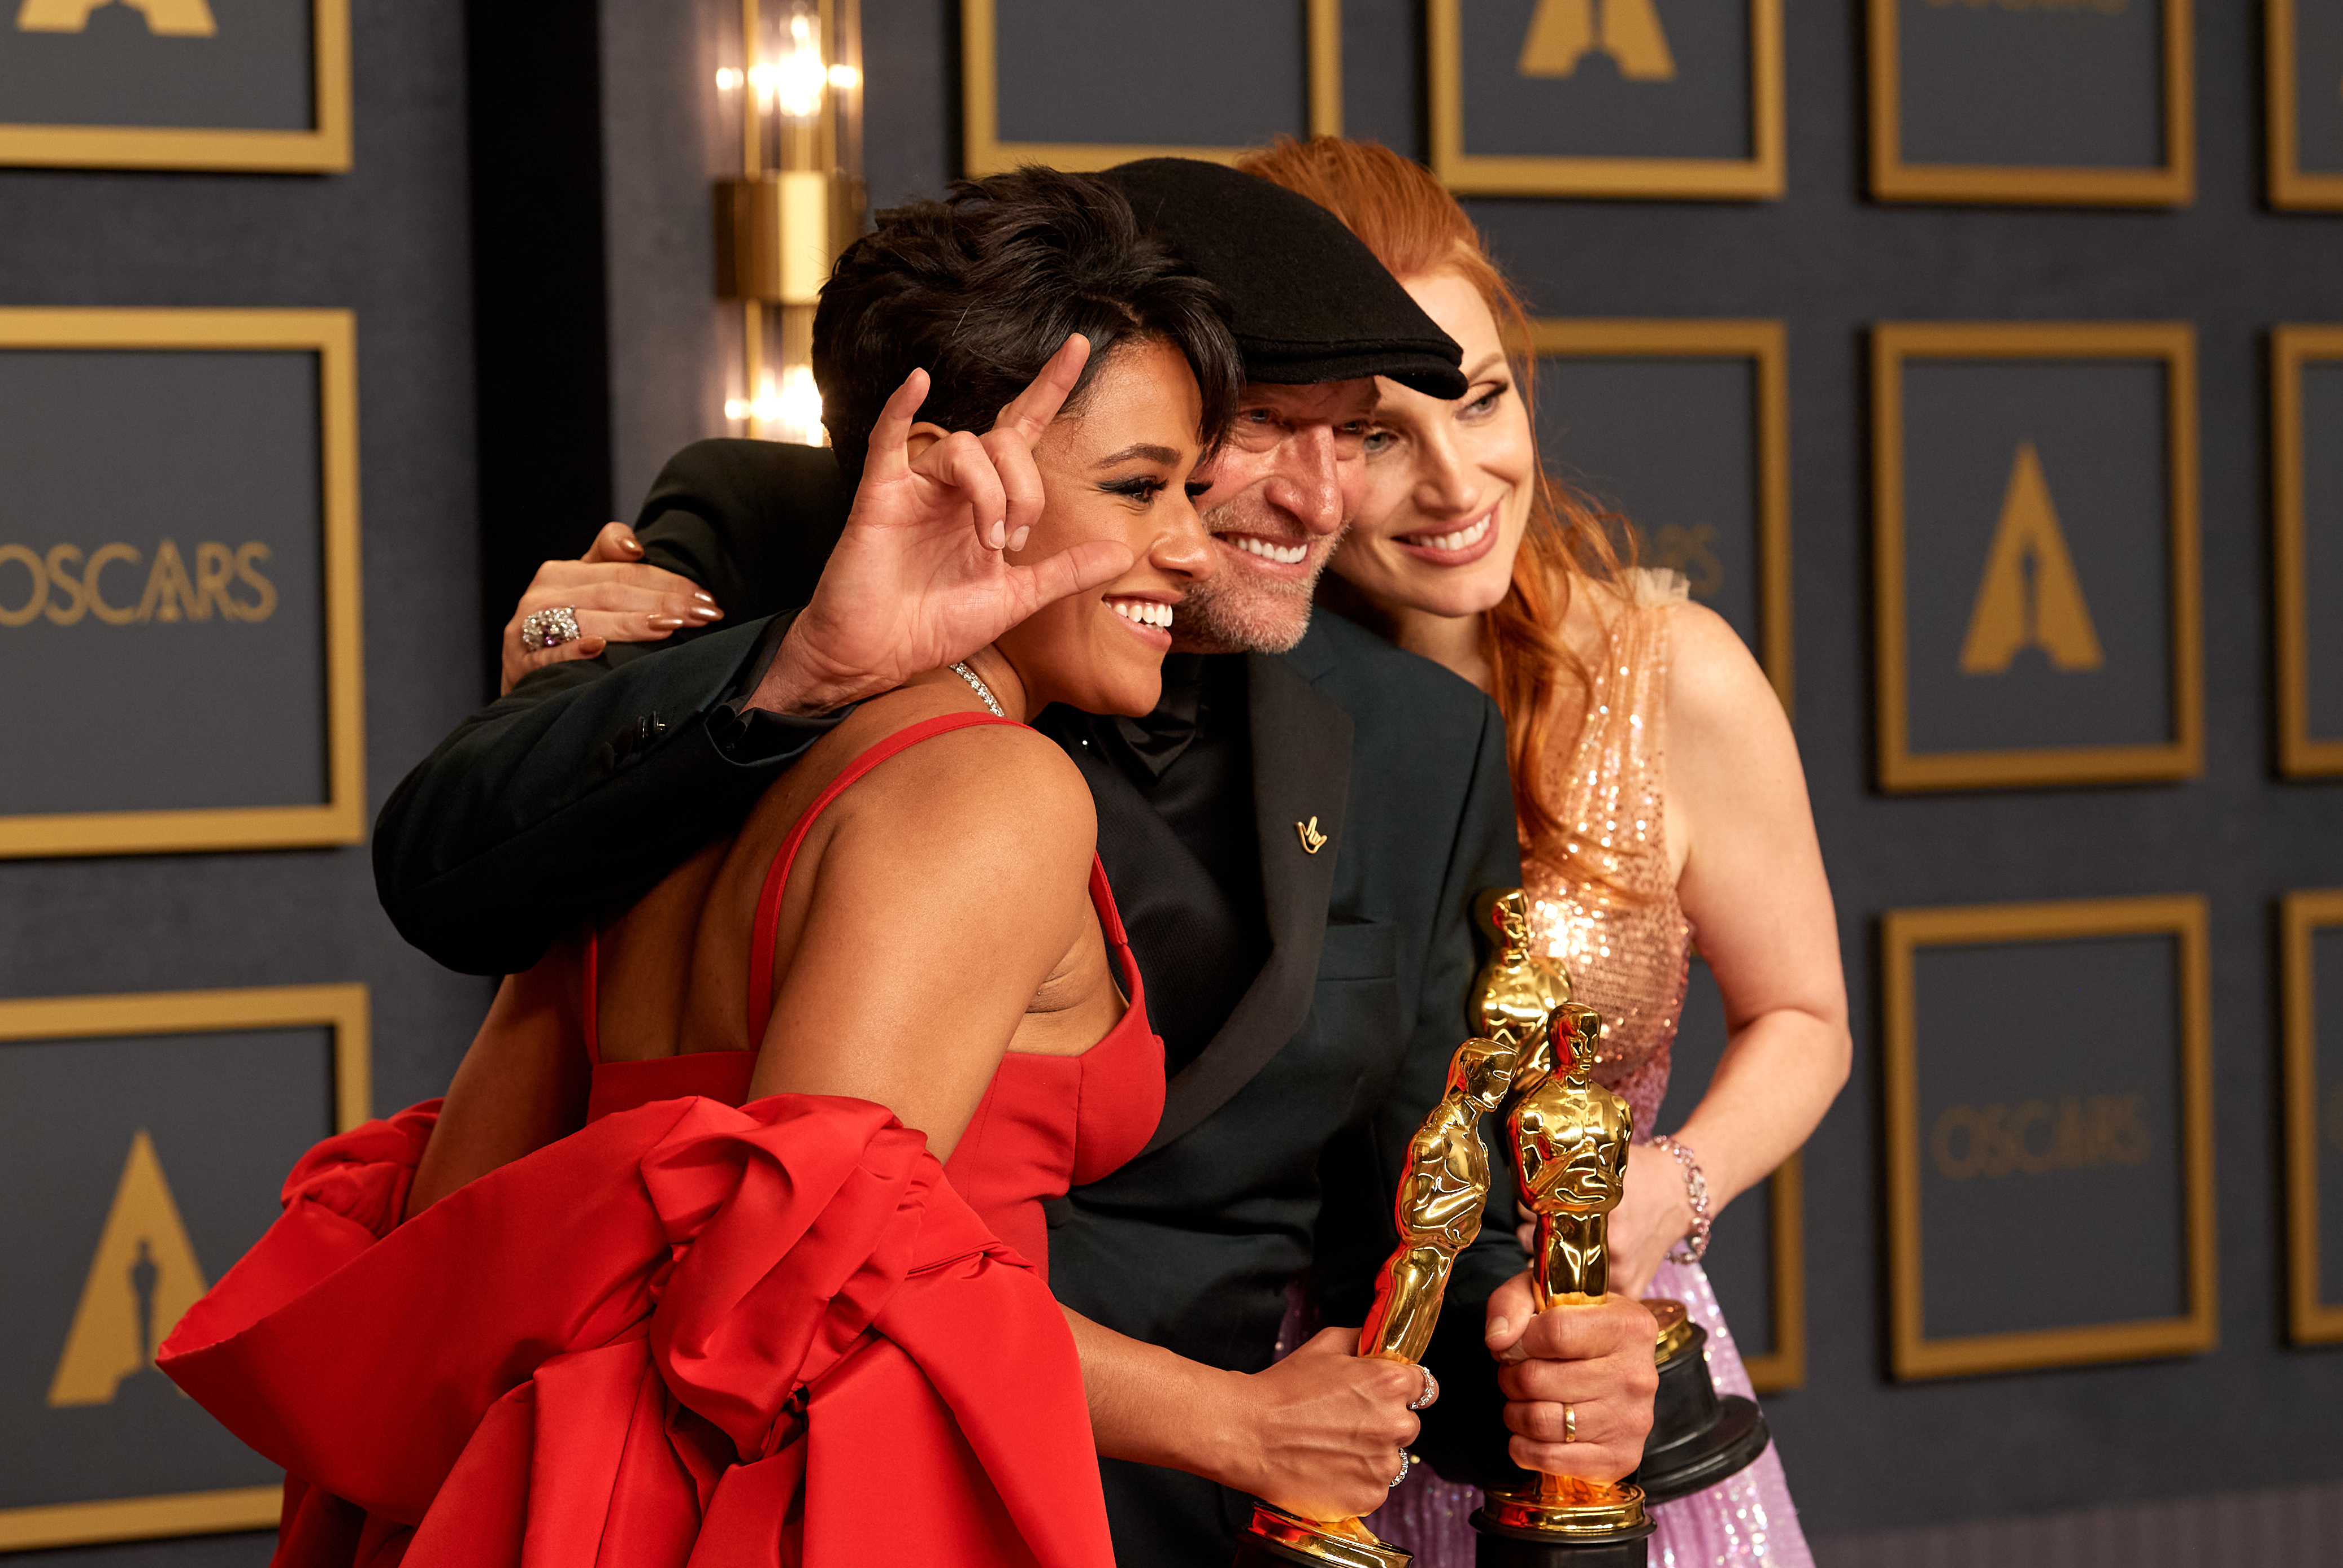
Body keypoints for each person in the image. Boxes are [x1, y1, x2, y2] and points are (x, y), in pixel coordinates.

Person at [367, 159, 1662, 1562]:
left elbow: (1418, 1228)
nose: (1319, 497)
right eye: (1256, 427)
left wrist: (1540, 1376)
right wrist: (782, 669)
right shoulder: (805, 555)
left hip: (1158, 1528)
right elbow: (467, 880)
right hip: (813, 1486)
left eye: (1350, 433)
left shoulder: (1419, 739)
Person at [1237, 136, 1851, 1567]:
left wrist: (1667, 1187)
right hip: (1298, 1412)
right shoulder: (1204, 717)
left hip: (1598, 1394)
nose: (1458, 480)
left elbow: (1806, 1016)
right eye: (1380, 435)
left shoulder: (1668, 669)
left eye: (1482, 397)